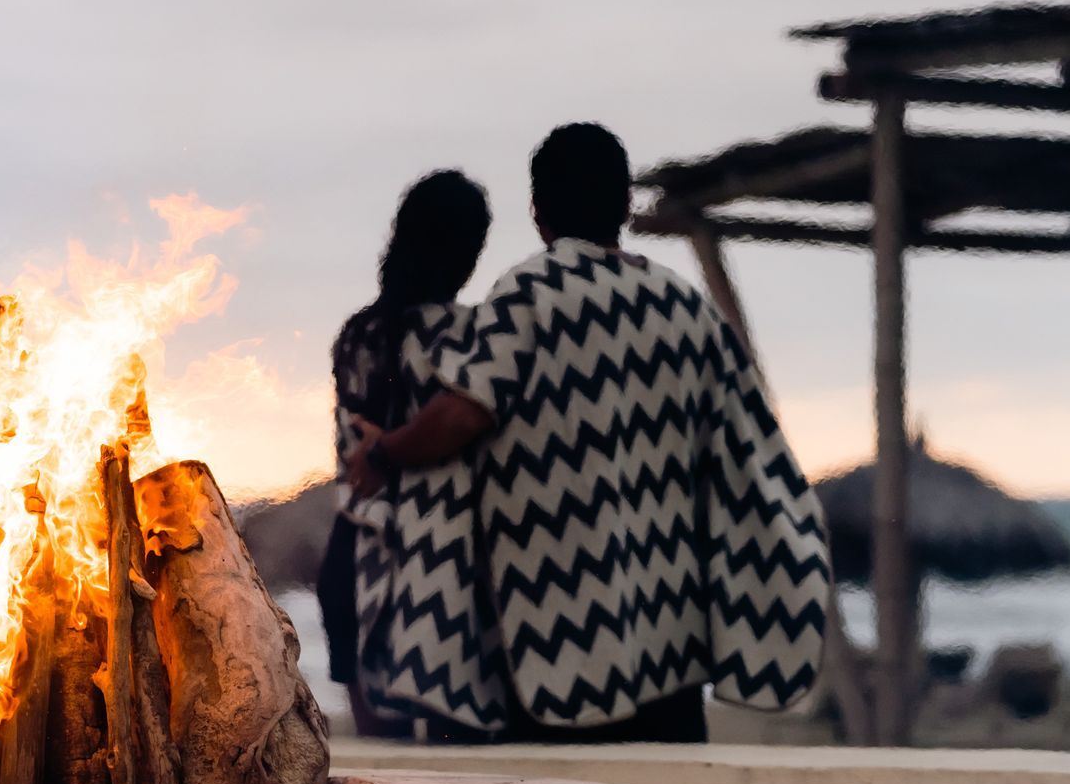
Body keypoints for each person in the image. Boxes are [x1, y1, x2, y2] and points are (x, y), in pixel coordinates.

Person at [348, 124, 830, 741]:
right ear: (626, 204)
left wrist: (385, 452)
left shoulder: (529, 294)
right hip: (672, 645)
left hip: (553, 645)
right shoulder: (682, 304)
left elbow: (464, 413)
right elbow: (750, 446)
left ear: (537, 211)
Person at [323, 170, 511, 737]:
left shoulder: (359, 332)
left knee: (382, 749)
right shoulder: (470, 336)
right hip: (441, 561)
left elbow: (362, 435)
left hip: (351, 547)